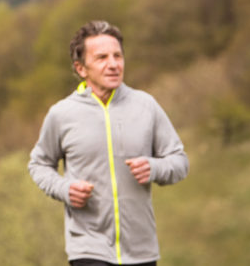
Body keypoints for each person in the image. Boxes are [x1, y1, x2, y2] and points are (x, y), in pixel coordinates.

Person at [28, 20, 189, 266]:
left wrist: (154, 168)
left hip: (141, 250)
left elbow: (180, 162)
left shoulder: (146, 106)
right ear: (81, 68)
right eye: (102, 57)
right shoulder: (62, 114)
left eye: (118, 56)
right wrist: (64, 189)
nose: (113, 64)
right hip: (87, 248)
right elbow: (39, 164)